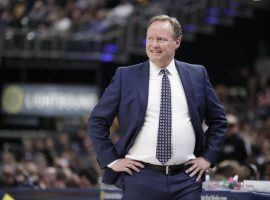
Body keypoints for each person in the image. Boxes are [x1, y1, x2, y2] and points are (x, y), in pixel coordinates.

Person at [88, 15, 227, 200]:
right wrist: (112, 160)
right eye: (150, 38)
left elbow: (218, 121)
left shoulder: (197, 74)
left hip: (186, 179)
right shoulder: (125, 77)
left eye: (161, 39)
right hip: (139, 178)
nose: (154, 44)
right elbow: (97, 121)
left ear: (177, 42)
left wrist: (207, 158)